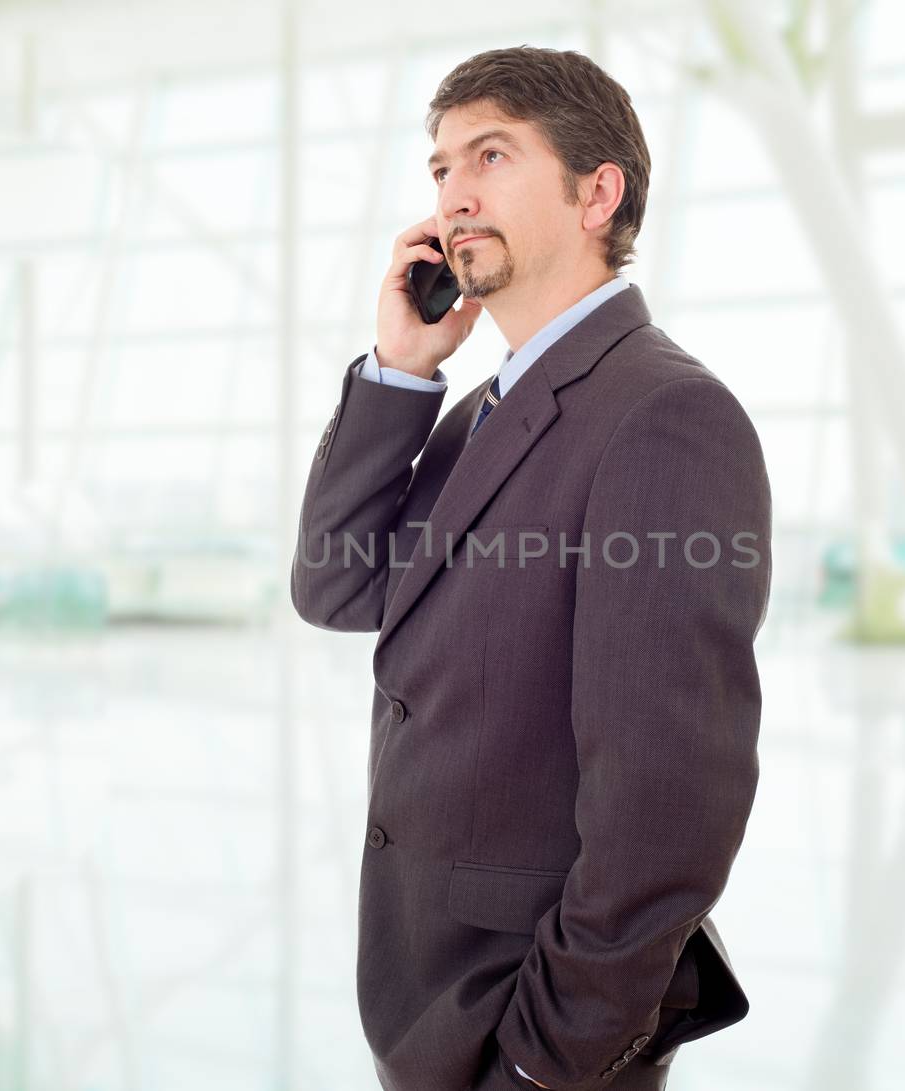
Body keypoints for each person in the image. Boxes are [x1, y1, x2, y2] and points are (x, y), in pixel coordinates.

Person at [291, 45, 772, 1091]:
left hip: (533, 1030)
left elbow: (668, 802)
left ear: (598, 192)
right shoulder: (482, 414)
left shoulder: (664, 417)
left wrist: (542, 1058)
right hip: (431, 997)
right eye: (439, 167)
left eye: (492, 154)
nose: (454, 193)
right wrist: (402, 371)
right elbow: (335, 585)